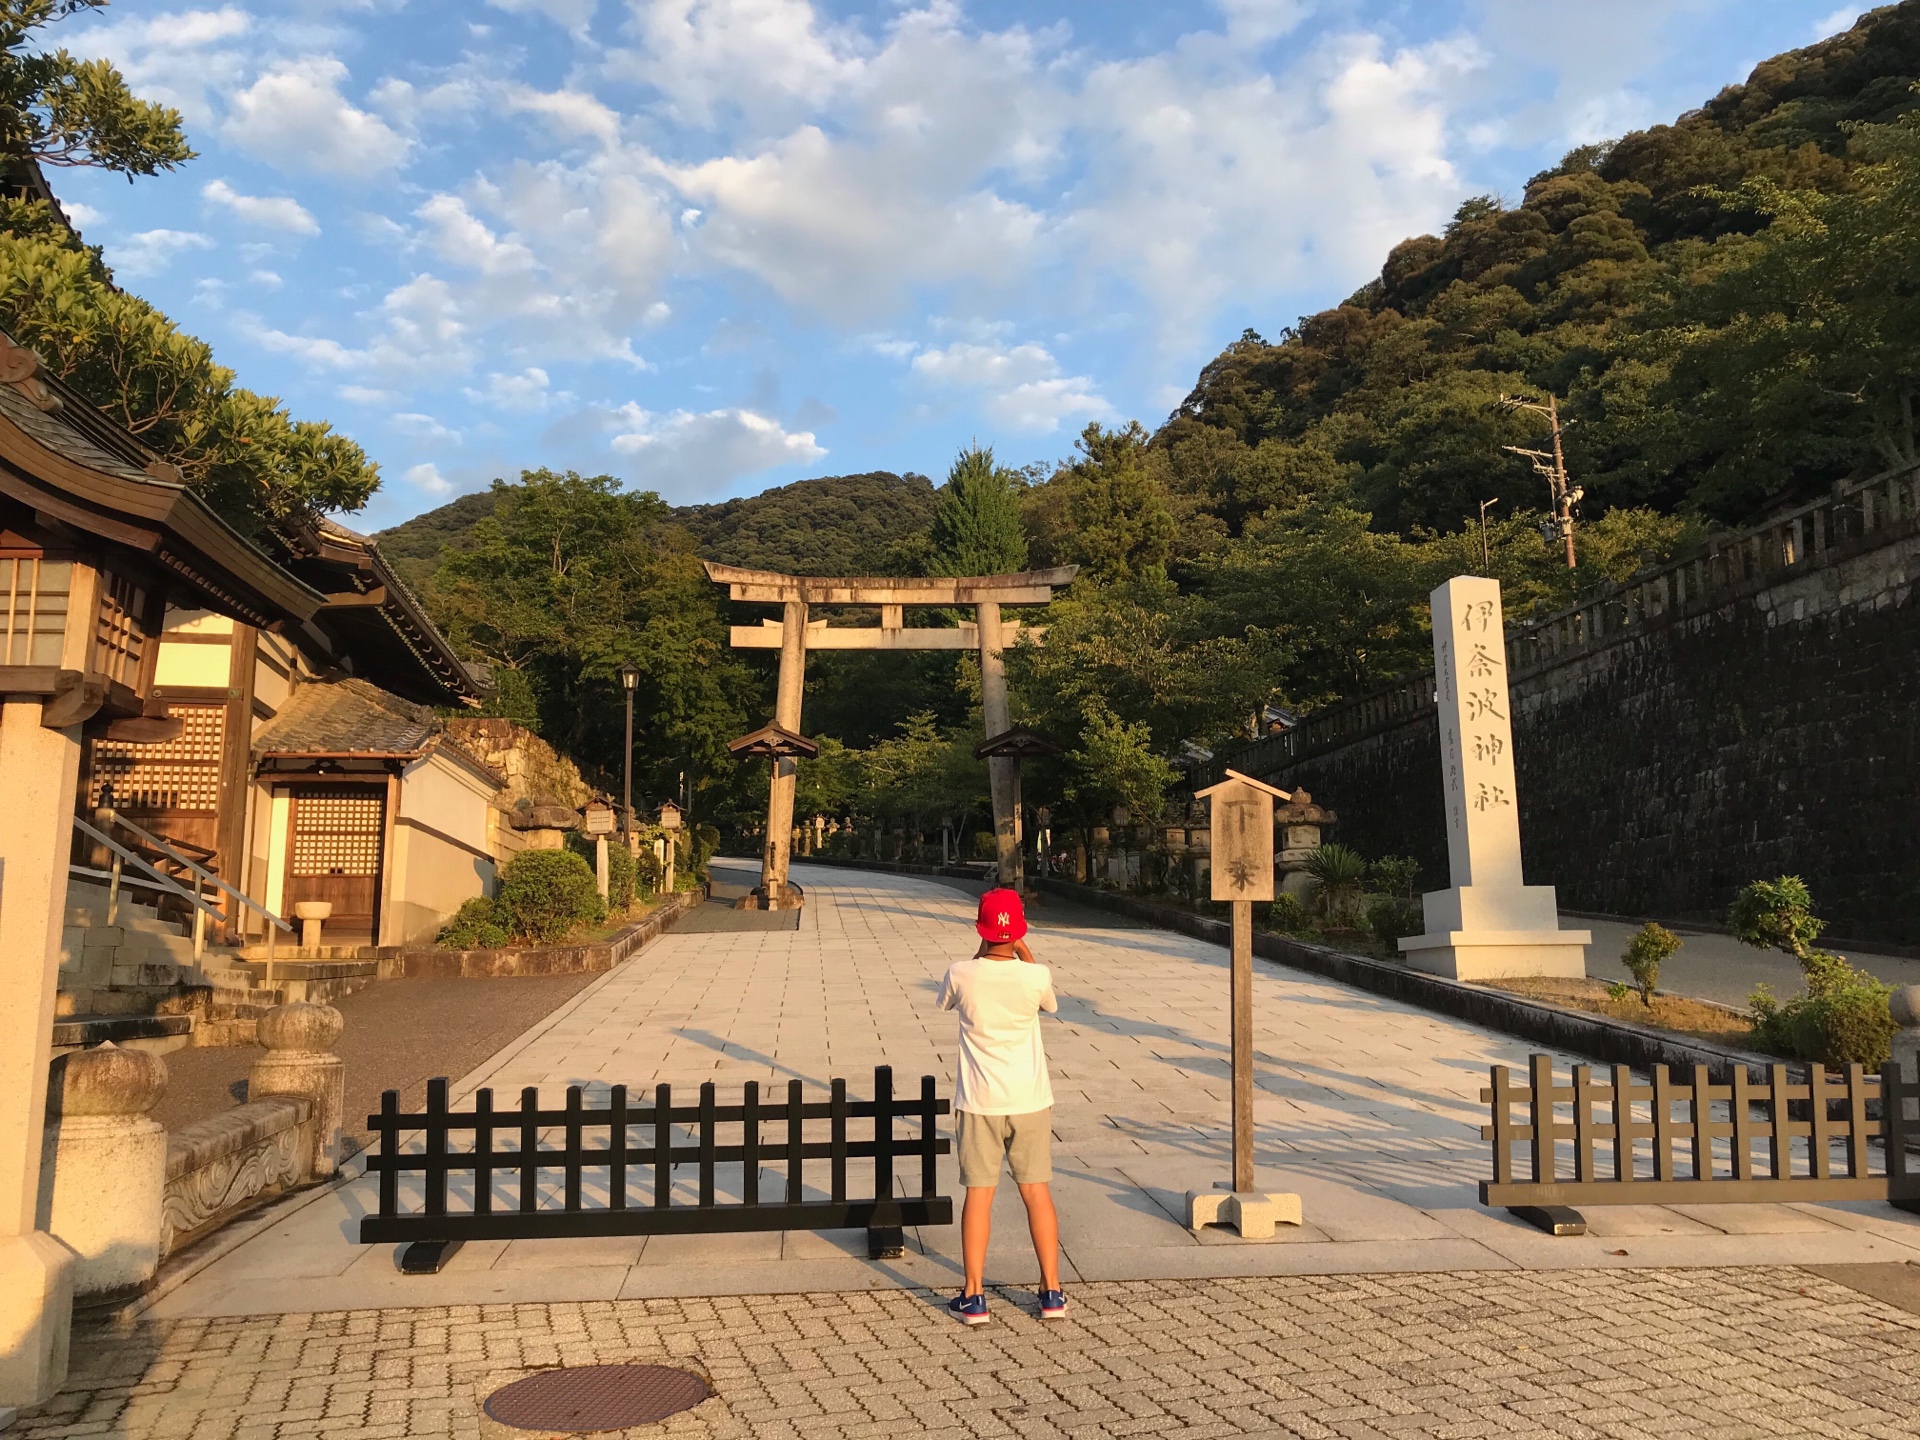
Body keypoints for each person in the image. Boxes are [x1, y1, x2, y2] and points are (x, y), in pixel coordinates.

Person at [935, 886, 1066, 1324]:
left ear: (981, 929)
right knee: (1036, 1192)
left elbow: (946, 1001)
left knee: (979, 1195)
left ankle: (974, 1297)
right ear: (1020, 931)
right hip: (1029, 1099)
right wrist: (1022, 950)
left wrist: (982, 952)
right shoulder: (1036, 975)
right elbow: (1049, 1002)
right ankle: (1051, 1292)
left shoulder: (960, 973)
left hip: (979, 1100)